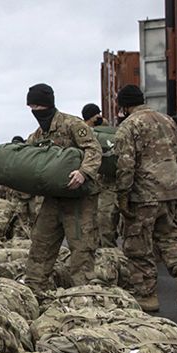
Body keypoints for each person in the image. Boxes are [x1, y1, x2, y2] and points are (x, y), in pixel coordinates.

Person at [112, 85, 177, 312]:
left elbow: (125, 165)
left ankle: (147, 295)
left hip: (143, 195)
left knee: (138, 245)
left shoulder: (128, 126)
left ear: (124, 106)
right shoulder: (168, 121)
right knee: (169, 236)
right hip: (169, 191)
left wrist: (122, 195)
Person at [22, 83, 101, 294]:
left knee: (81, 251)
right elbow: (30, 160)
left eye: (39, 106)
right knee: (41, 245)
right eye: (32, 108)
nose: (36, 112)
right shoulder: (38, 135)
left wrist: (83, 172)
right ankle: (33, 293)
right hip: (52, 199)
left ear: (49, 105)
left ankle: (83, 298)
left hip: (79, 199)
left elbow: (94, 149)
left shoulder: (72, 124)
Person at [82, 102, 118, 247]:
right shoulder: (108, 132)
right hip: (115, 181)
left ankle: (107, 253)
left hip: (99, 186)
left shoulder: (88, 134)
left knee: (102, 223)